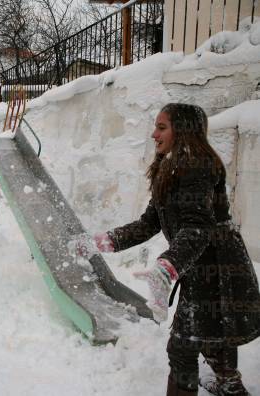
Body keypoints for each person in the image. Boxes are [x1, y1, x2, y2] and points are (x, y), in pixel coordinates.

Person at [87, 103, 260, 395]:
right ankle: (230, 385)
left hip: (215, 265)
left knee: (184, 344)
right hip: (197, 260)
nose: (154, 134)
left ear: (184, 131)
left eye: (162, 127)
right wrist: (107, 240)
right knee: (211, 332)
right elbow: (150, 222)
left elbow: (197, 226)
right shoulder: (172, 166)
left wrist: (168, 265)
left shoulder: (196, 165)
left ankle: (228, 385)